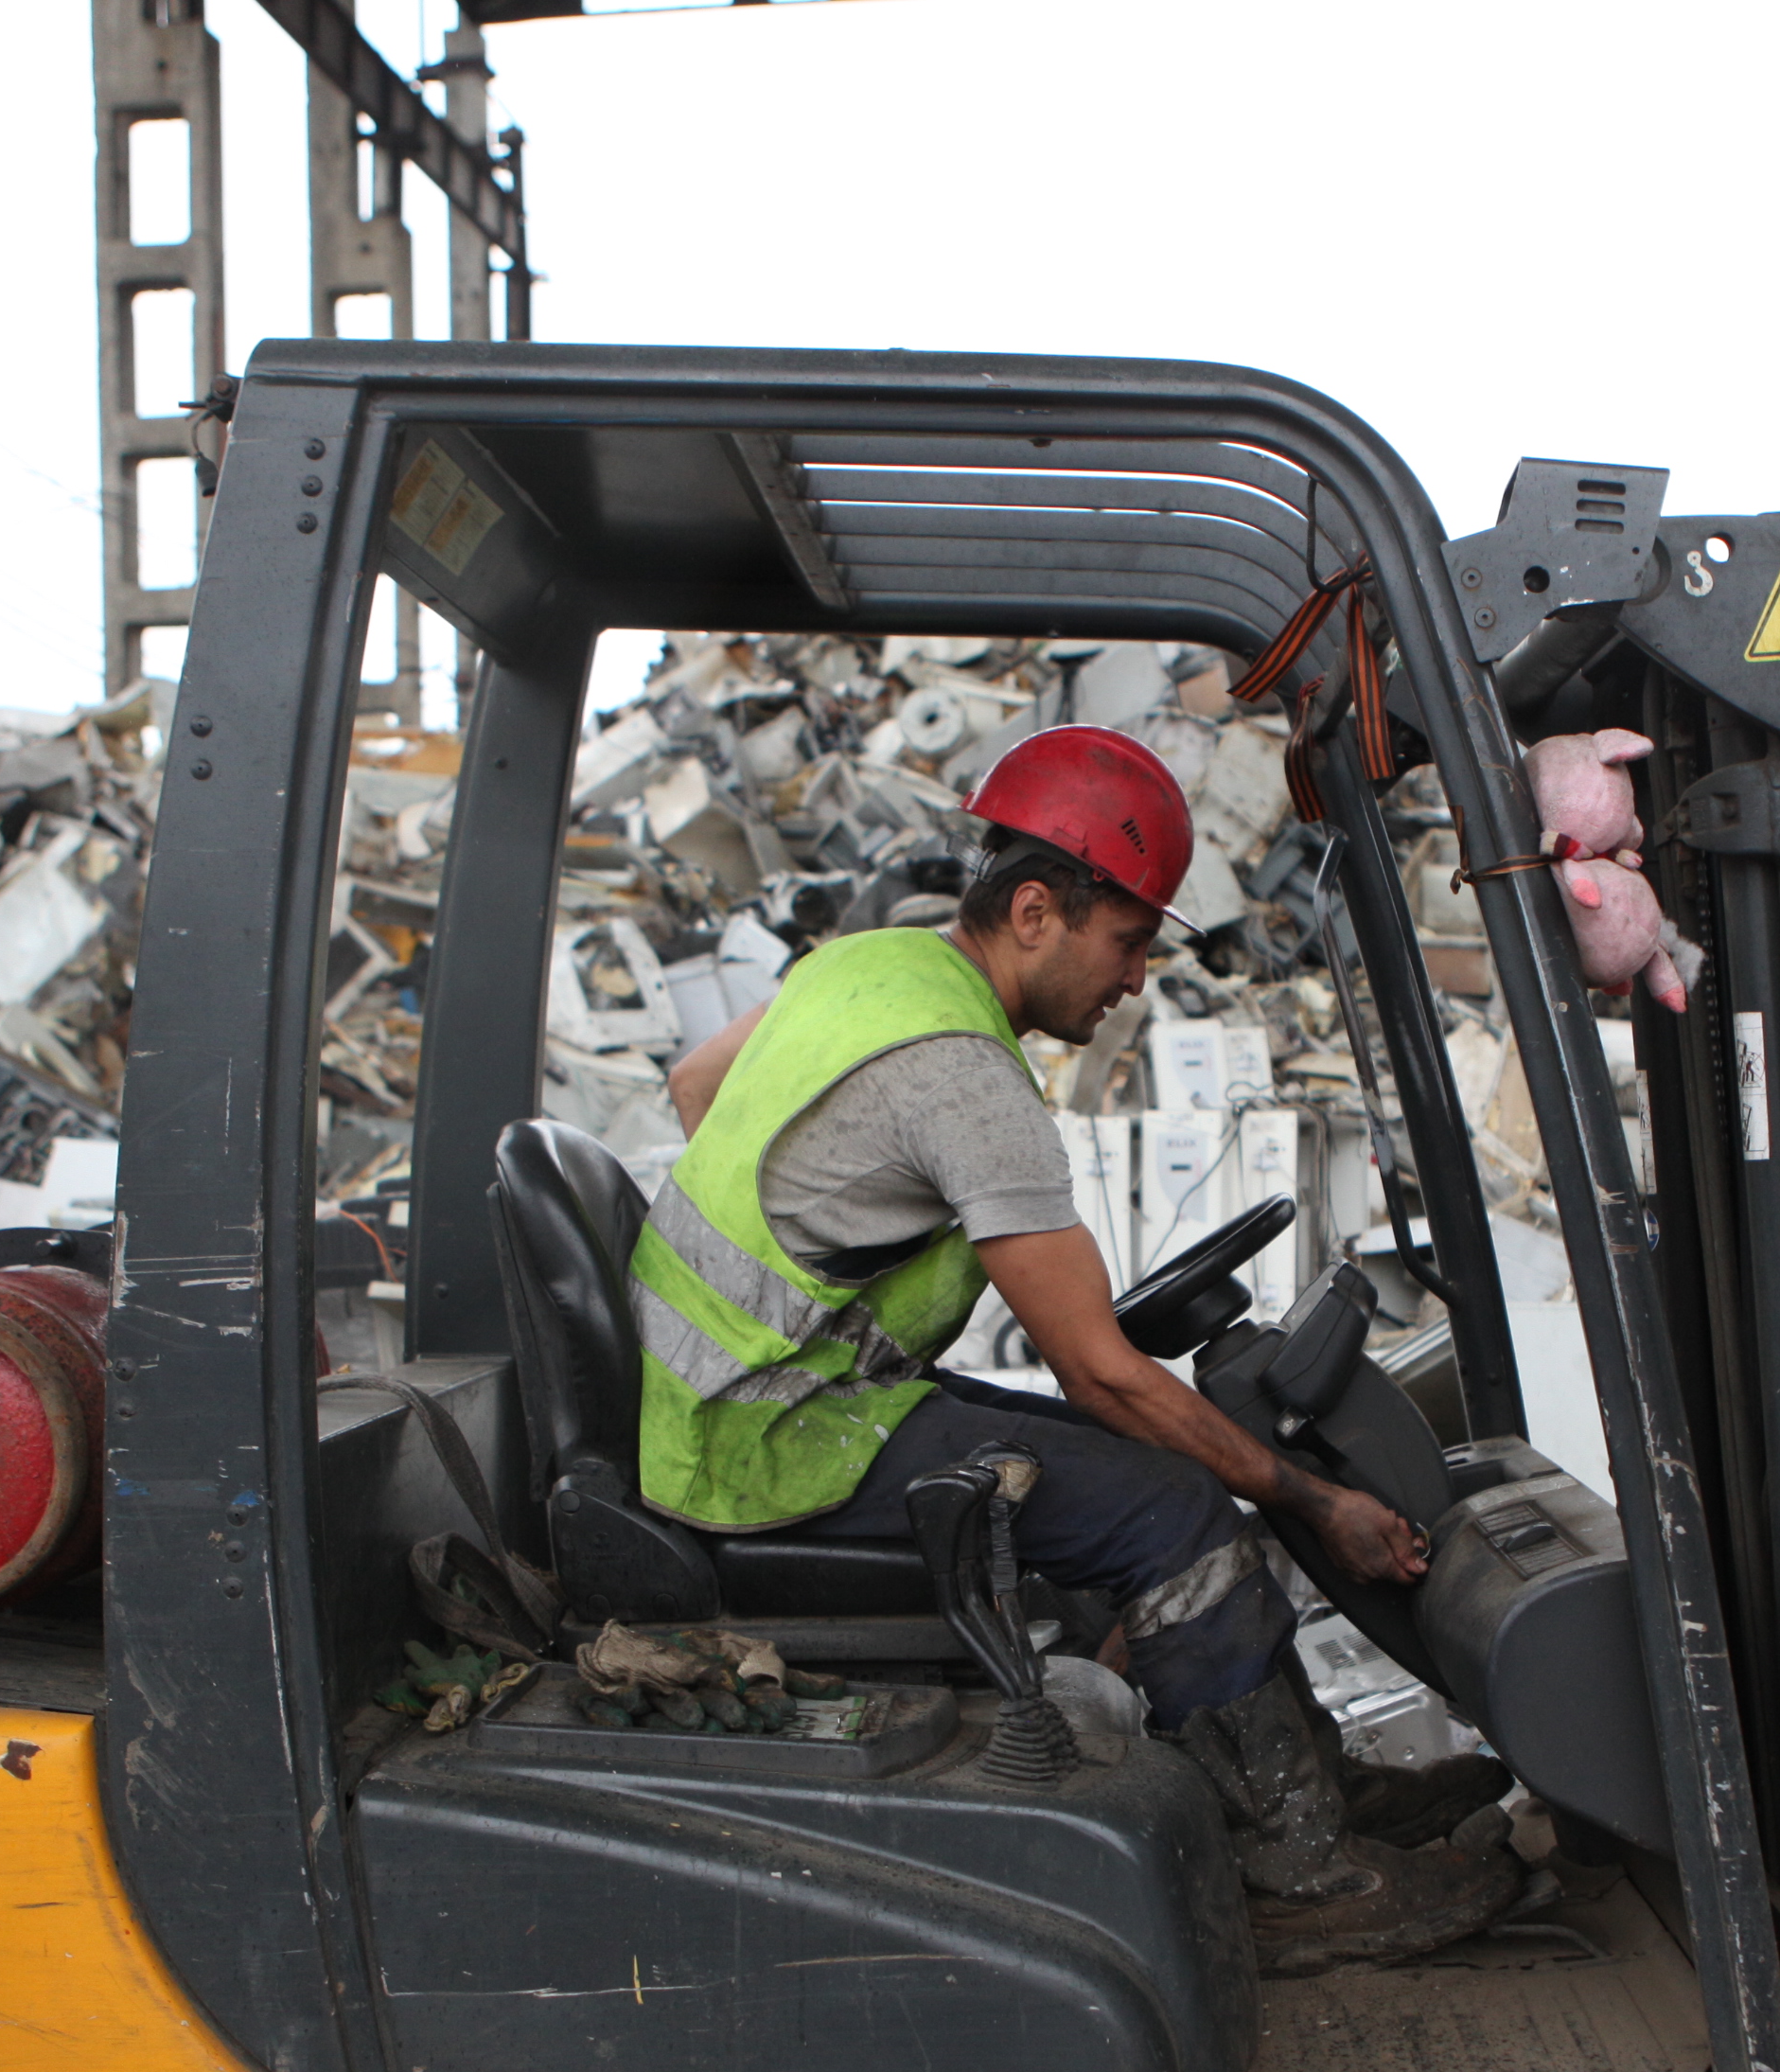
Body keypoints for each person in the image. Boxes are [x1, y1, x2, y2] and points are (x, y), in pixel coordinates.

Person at [636, 724, 1515, 1970]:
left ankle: (1299, 1788)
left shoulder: (871, 965)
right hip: (774, 1440)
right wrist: (1312, 1499)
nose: (1140, 978)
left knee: (1102, 1464)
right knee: (1172, 1505)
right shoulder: (963, 1078)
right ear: (1037, 910)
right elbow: (1099, 1369)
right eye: (1130, 940)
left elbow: (692, 1089)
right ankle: (1295, 1874)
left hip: (745, 1399)